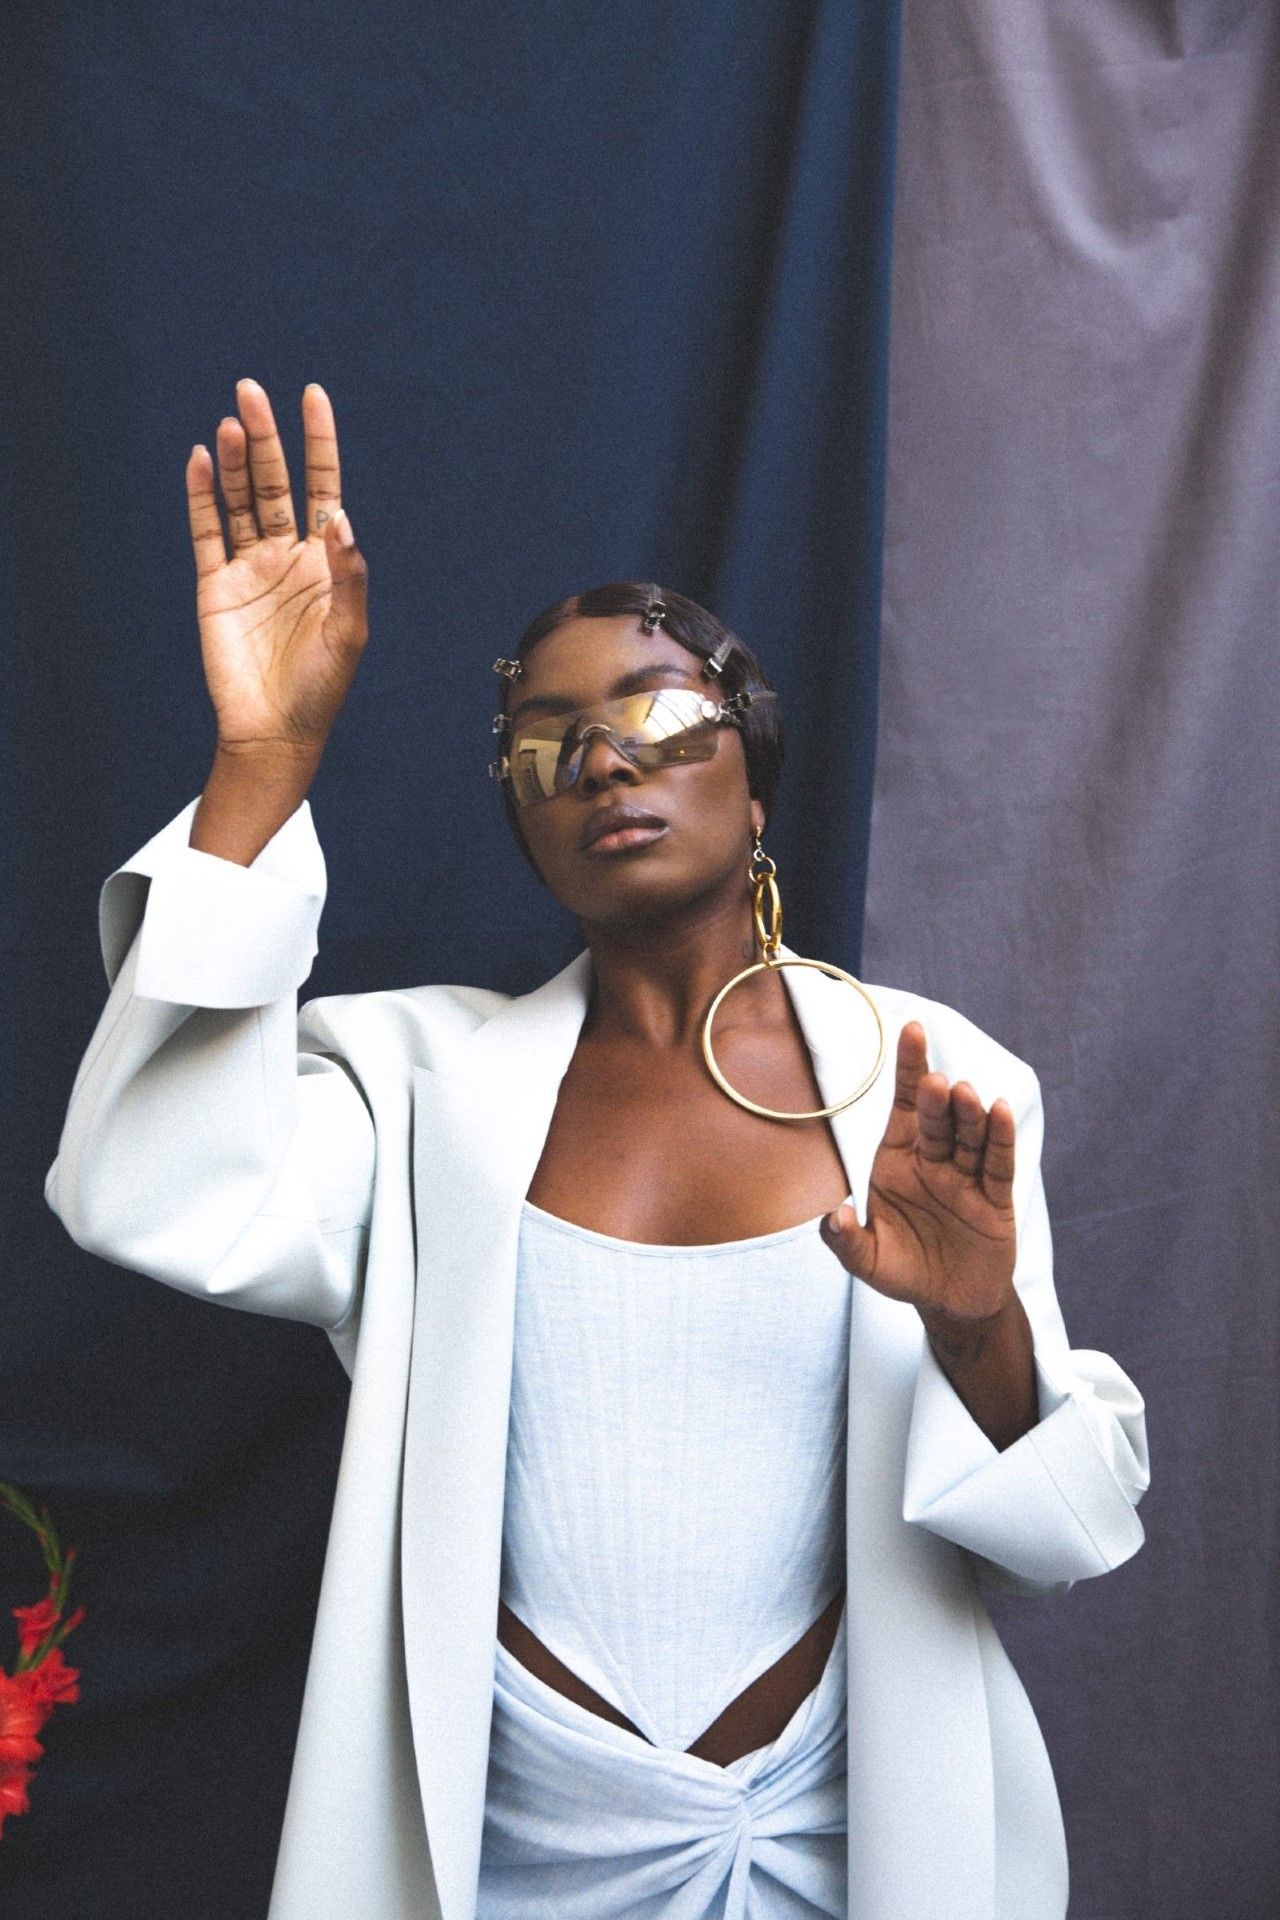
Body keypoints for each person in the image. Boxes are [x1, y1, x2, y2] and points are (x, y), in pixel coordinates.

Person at [45, 379, 1151, 1920]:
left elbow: (1062, 1539)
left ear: (754, 775)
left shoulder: (923, 1080)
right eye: (544, 745)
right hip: (520, 1855)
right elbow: (146, 1185)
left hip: (851, 1849)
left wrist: (980, 1327)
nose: (603, 762)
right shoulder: (420, 1088)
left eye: (657, 716)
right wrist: (265, 758)